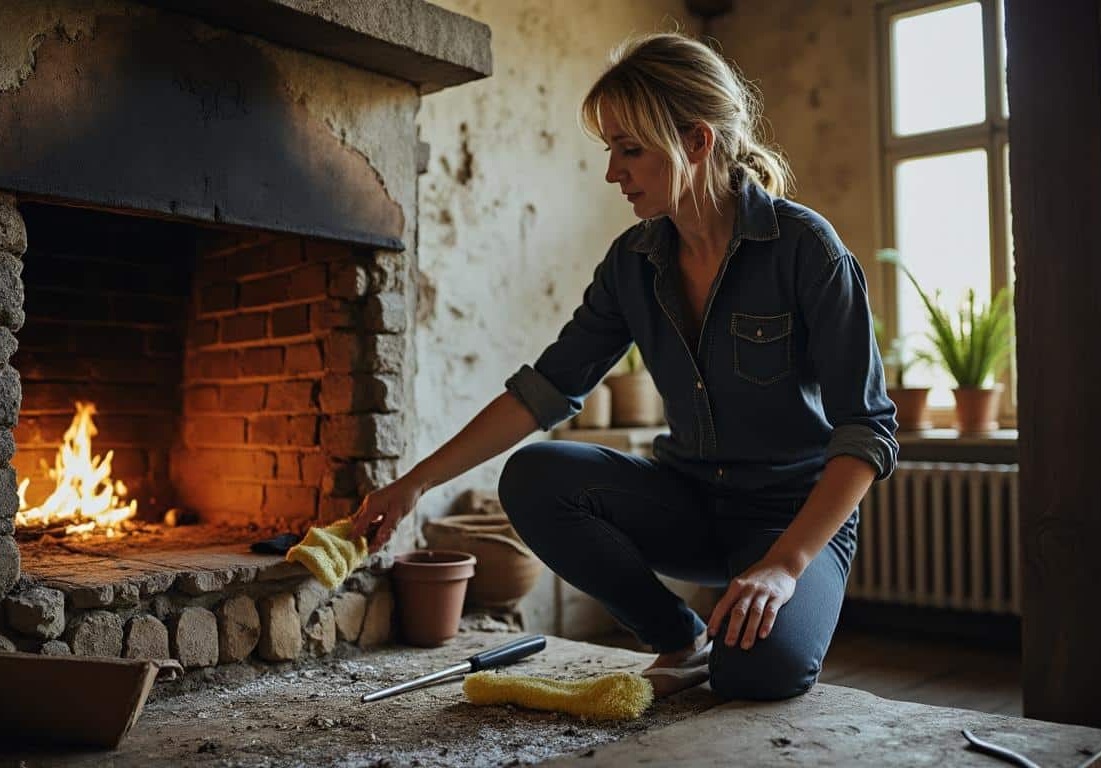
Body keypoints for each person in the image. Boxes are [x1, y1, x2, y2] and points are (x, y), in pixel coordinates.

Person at [349, 32, 898, 700]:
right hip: (687, 503)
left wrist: (785, 565)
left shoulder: (808, 250)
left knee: (757, 674)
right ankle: (679, 634)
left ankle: (747, 622)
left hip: (790, 518)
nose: (613, 172)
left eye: (629, 149)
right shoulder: (630, 264)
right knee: (534, 477)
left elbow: (867, 431)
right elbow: (541, 393)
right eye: (610, 149)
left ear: (697, 142)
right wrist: (413, 485)